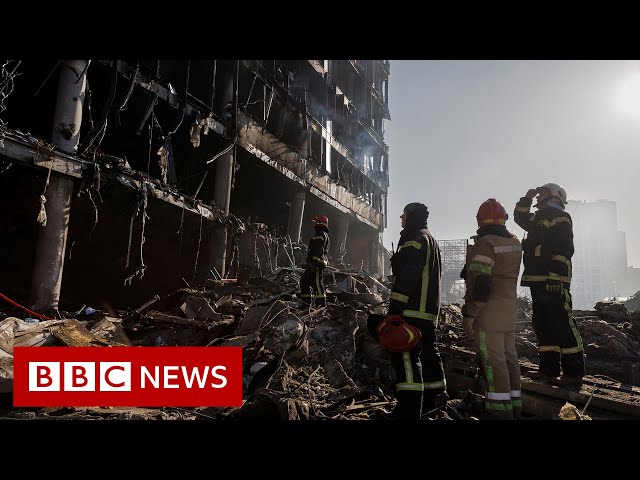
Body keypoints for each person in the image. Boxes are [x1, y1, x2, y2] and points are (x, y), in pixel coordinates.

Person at [368, 202, 447, 419]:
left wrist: (395, 310)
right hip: (428, 313)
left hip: (412, 311)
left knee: (405, 358)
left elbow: (407, 278)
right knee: (429, 356)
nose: (401, 218)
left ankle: (408, 412)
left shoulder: (415, 240)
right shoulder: (429, 239)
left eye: (403, 214)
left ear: (412, 216)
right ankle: (433, 404)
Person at [514, 183, 584, 387]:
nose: (538, 196)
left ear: (554, 195)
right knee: (543, 325)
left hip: (554, 279)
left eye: (542, 192)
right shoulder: (537, 218)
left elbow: (564, 248)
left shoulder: (561, 217)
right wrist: (526, 198)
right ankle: (548, 370)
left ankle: (574, 373)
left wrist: (555, 274)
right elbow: (520, 217)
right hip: (537, 278)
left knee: (562, 324)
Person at [461, 199, 523, 419]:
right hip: (509, 310)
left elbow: (481, 284)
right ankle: (514, 406)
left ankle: (498, 412)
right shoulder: (514, 242)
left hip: (489, 313)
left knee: (493, 361)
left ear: (479, 220)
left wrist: (470, 313)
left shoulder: (485, 243)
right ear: (504, 219)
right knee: (509, 358)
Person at [299, 215, 330, 307]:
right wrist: (308, 263)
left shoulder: (321, 234)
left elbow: (318, 249)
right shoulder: (320, 234)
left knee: (317, 283)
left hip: (316, 264)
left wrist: (314, 262)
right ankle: (306, 304)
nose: (315, 223)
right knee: (304, 281)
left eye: (316, 222)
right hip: (313, 263)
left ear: (320, 223)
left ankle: (321, 304)